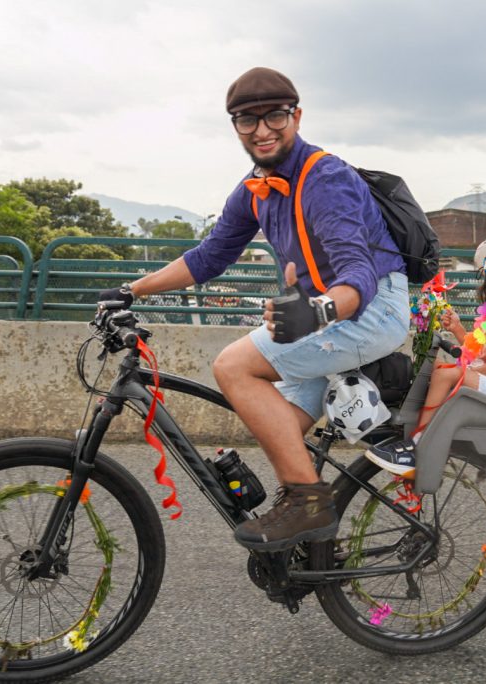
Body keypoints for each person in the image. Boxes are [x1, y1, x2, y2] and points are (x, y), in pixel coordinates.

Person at [99, 67, 409, 551]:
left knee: (234, 366)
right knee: (282, 423)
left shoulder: (325, 177)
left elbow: (359, 277)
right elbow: (209, 257)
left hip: (369, 310)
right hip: (321, 310)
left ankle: (309, 504)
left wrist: (314, 314)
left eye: (275, 116)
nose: (262, 130)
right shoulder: (254, 188)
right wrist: (131, 289)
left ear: (297, 116)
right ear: (235, 127)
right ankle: (310, 543)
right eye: (248, 120)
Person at [365, 226, 486, 475]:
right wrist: (457, 329)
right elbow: (479, 348)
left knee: (446, 373)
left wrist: (466, 370)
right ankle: (411, 430)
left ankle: (417, 446)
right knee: (438, 369)